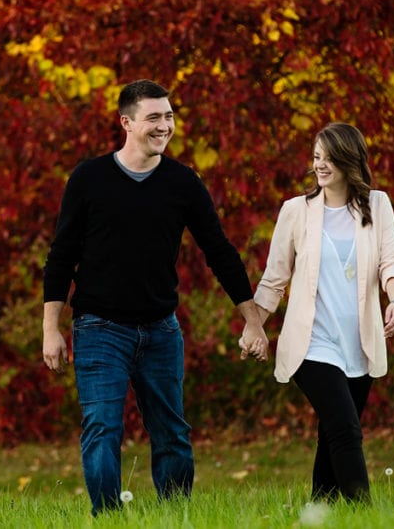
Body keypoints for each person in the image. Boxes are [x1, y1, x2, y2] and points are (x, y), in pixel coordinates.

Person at [41, 79, 269, 515]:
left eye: (168, 116)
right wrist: (51, 328)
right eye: (154, 118)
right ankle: (108, 520)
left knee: (172, 433)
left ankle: (174, 517)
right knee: (102, 428)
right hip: (99, 328)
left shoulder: (182, 183)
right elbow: (61, 257)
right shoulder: (89, 179)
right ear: (126, 122)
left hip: (161, 330)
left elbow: (219, 252)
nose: (165, 126)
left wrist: (252, 319)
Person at [246, 122, 394, 504]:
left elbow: (392, 261)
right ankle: (364, 514)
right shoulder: (296, 212)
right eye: (316, 157)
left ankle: (320, 511)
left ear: (349, 161)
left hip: (360, 343)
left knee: (333, 433)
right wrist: (254, 326)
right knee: (346, 431)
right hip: (312, 344)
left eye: (328, 158)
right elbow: (274, 278)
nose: (319, 165)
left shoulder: (378, 205)